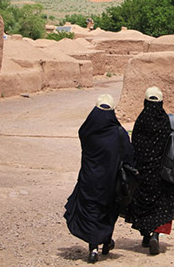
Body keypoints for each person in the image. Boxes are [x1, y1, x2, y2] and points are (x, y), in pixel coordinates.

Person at [64, 94, 133, 263]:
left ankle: (93, 246)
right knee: (107, 211)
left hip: (89, 180)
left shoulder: (87, 131)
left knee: (91, 211)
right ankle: (106, 241)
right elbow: (128, 155)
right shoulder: (118, 133)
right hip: (110, 181)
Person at [126, 87, 174, 255]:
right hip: (163, 174)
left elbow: (134, 147)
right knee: (162, 204)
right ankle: (156, 234)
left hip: (144, 174)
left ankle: (146, 235)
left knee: (144, 204)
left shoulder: (141, 122)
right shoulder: (167, 122)